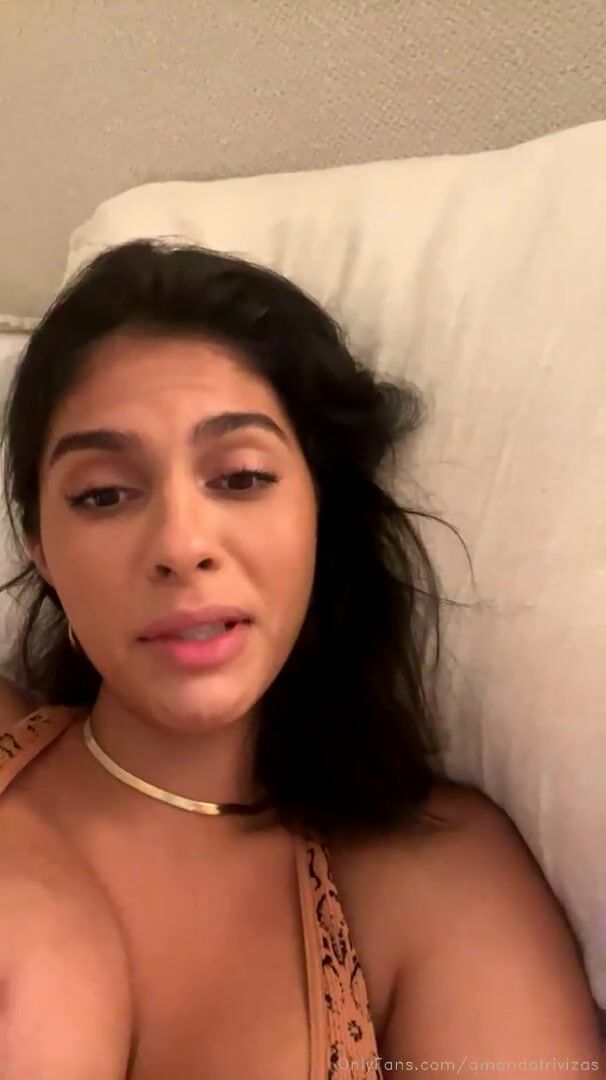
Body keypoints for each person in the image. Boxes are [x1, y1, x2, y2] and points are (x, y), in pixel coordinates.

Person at [0, 240, 601, 1080]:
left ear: (320, 511)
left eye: (241, 478)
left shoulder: (438, 885)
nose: (180, 544)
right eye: (104, 494)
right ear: (42, 550)